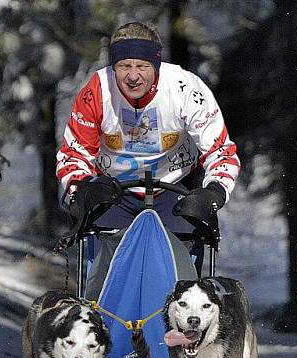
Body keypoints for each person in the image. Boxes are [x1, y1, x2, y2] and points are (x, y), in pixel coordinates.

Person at [56, 21, 240, 271]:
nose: (133, 76)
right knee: (103, 268)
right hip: (113, 189)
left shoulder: (185, 90)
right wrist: (82, 186)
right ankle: (98, 306)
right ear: (113, 66)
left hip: (174, 187)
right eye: (123, 66)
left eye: (142, 66)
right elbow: (74, 153)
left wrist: (215, 191)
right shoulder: (97, 91)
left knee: (180, 272)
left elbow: (221, 153)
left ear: (156, 66)